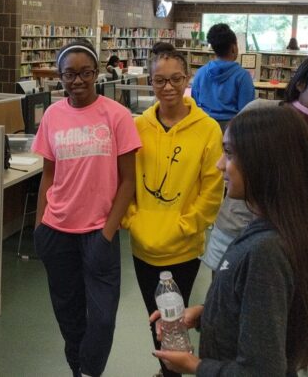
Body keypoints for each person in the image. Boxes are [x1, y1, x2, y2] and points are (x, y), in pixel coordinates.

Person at [152, 107, 308, 375]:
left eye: (230, 153)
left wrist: (195, 366)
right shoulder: (275, 229)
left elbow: (262, 371)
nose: (219, 164)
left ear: (264, 162)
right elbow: (261, 312)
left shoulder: (265, 251)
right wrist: (204, 313)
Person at [32, 38, 142, 377]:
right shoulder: (53, 114)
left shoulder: (118, 116)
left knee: (104, 317)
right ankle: (77, 369)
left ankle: (89, 370)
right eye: (69, 74)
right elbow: (48, 175)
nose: (77, 81)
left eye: (85, 73)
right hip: (57, 230)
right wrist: (40, 226)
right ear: (59, 77)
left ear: (97, 74)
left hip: (98, 232)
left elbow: (128, 181)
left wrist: (108, 231)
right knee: (69, 314)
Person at [201, 47, 308, 272]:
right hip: (233, 227)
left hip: (277, 238)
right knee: (222, 294)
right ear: (301, 84)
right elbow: (229, 167)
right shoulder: (260, 113)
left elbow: (302, 203)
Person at [123, 42, 224, 377]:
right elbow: (124, 180)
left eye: (176, 79)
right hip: (143, 245)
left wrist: (186, 225)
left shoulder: (208, 129)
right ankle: (167, 371)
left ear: (187, 79)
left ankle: (171, 372)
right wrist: (132, 220)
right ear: (150, 82)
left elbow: (212, 190)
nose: (168, 87)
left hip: (183, 246)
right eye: (160, 80)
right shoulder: (137, 127)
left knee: (176, 322)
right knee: (155, 319)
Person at [191, 23, 255, 131]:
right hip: (232, 131)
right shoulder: (243, 76)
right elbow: (246, 113)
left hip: (203, 128)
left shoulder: (200, 73)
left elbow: (194, 104)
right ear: (234, 48)